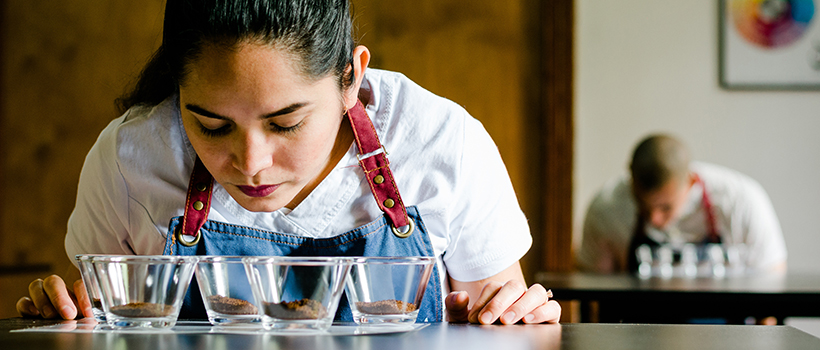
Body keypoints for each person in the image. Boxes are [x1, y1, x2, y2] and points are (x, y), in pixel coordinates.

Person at [15, 0, 560, 325]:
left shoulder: (441, 143)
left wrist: (516, 321)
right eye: (210, 125)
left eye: (285, 123)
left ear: (352, 77)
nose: (252, 164)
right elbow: (94, 319)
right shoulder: (131, 158)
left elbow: (500, 315)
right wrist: (63, 316)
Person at [576, 133, 787, 274]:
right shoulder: (605, 208)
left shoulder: (741, 202)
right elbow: (593, 290)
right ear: (630, 176)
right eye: (642, 204)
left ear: (691, 182)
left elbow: (772, 282)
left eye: (666, 207)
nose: (654, 219)